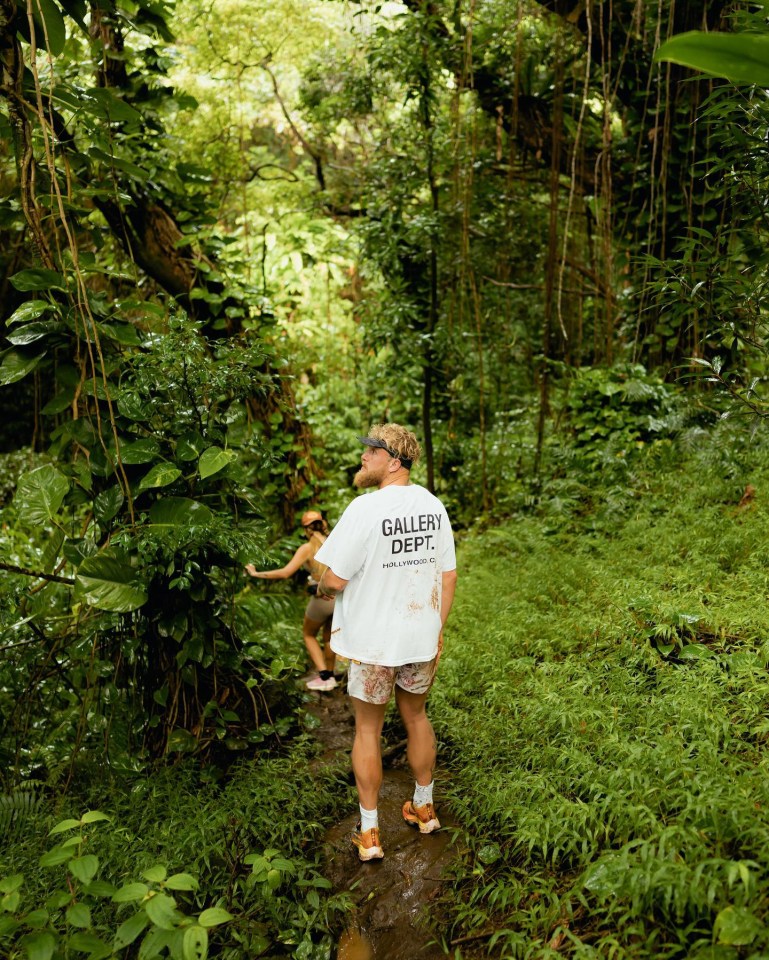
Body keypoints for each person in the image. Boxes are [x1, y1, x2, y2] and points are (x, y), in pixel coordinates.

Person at [314, 424, 457, 861]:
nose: (364, 457)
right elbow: (447, 575)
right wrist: (437, 629)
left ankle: (372, 833)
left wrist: (321, 587)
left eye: (371, 451)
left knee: (368, 729)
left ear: (394, 461)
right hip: (420, 638)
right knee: (416, 717)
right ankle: (424, 807)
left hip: (375, 643)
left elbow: (334, 578)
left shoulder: (364, 509)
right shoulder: (433, 506)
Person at [245, 510, 337, 691]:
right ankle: (331, 677)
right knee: (328, 637)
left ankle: (324, 676)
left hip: (320, 599)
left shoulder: (307, 548)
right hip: (337, 597)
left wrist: (256, 573)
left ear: (306, 529)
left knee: (308, 634)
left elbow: (286, 572)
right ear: (323, 524)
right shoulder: (334, 543)